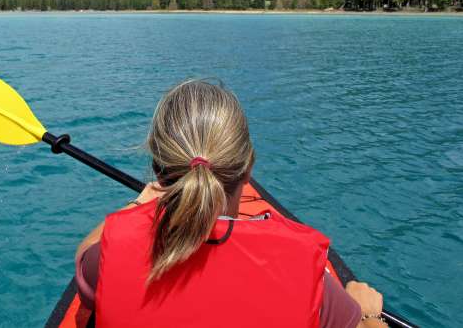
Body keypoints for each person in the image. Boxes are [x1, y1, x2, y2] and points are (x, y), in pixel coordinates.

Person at [75, 80, 387, 327]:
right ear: (248, 167)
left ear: (158, 170)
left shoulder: (108, 254)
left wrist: (140, 203)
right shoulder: (307, 272)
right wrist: (368, 314)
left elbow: (85, 255)